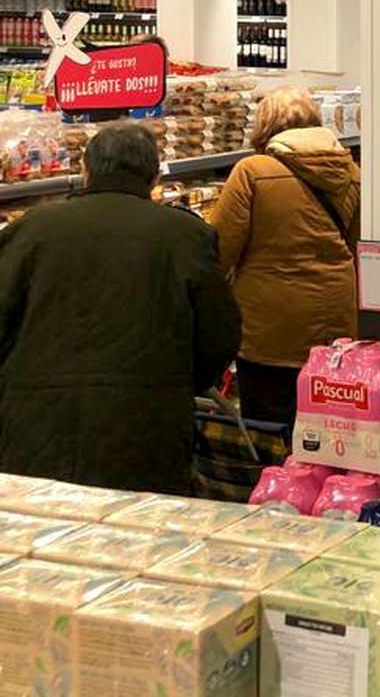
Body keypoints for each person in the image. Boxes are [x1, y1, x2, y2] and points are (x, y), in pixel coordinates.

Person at [0, 122, 239, 493]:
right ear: (154, 175)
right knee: (137, 541)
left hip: (37, 423)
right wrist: (176, 382)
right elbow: (219, 335)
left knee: (41, 540)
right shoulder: (186, 236)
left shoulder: (32, 229)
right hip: (146, 423)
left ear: (86, 170)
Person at [209, 87, 360, 425]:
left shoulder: (252, 172)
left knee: (271, 427)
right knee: (327, 426)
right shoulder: (351, 171)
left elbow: (217, 252)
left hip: (270, 329)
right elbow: (358, 246)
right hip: (336, 320)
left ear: (264, 125)